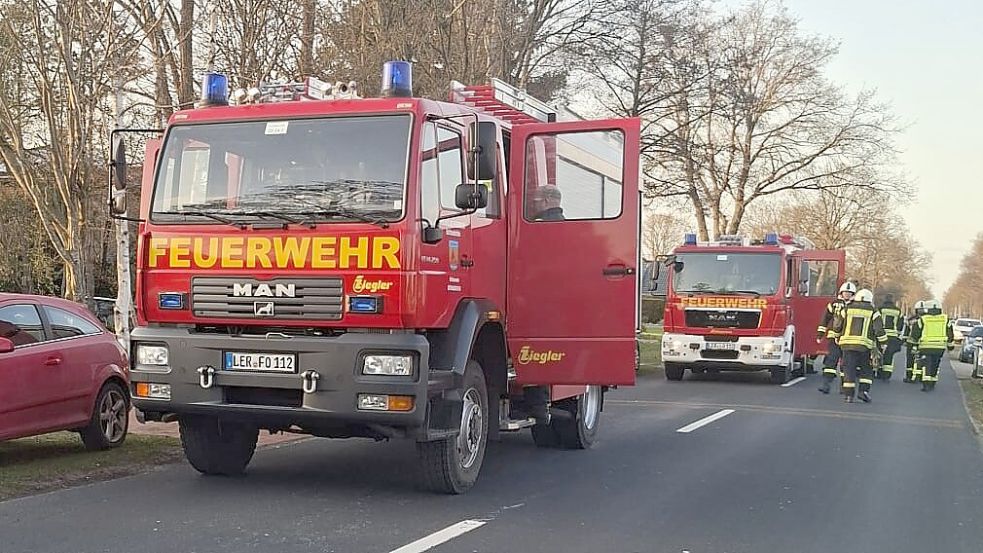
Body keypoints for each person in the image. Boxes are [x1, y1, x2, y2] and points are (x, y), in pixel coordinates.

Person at [829, 288, 886, 403]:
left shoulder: (847, 309)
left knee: (849, 369)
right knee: (866, 369)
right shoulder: (873, 311)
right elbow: (879, 329)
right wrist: (883, 343)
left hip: (847, 345)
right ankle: (863, 392)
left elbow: (837, 324)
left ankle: (848, 395)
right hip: (865, 346)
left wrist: (836, 336)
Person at [817, 281, 857, 394]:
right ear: (841, 292)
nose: (847, 294)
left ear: (853, 294)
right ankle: (826, 384)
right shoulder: (834, 304)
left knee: (846, 363)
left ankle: (844, 386)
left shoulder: (856, 305)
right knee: (831, 361)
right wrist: (820, 334)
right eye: (845, 292)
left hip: (848, 339)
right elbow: (825, 319)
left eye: (849, 293)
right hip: (834, 338)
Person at [908, 299, 954, 392]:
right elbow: (950, 333)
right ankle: (933, 381)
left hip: (926, 347)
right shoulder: (945, 319)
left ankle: (926, 384)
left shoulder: (923, 319)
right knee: (935, 364)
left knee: (926, 364)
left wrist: (914, 344)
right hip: (940, 347)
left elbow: (915, 332)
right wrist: (950, 345)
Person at [876, 294, 905, 380]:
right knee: (889, 355)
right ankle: (887, 374)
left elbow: (877, 321)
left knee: (879, 353)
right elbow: (900, 324)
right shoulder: (898, 311)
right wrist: (898, 334)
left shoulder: (880, 309)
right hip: (893, 336)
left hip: (881, 335)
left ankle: (878, 371)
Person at [902, 301, 926, 383]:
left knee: (911, 360)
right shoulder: (927, 319)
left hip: (912, 343)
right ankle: (920, 377)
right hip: (921, 343)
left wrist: (904, 340)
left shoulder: (911, 319)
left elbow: (906, 331)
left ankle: (910, 376)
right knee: (920, 360)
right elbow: (906, 331)